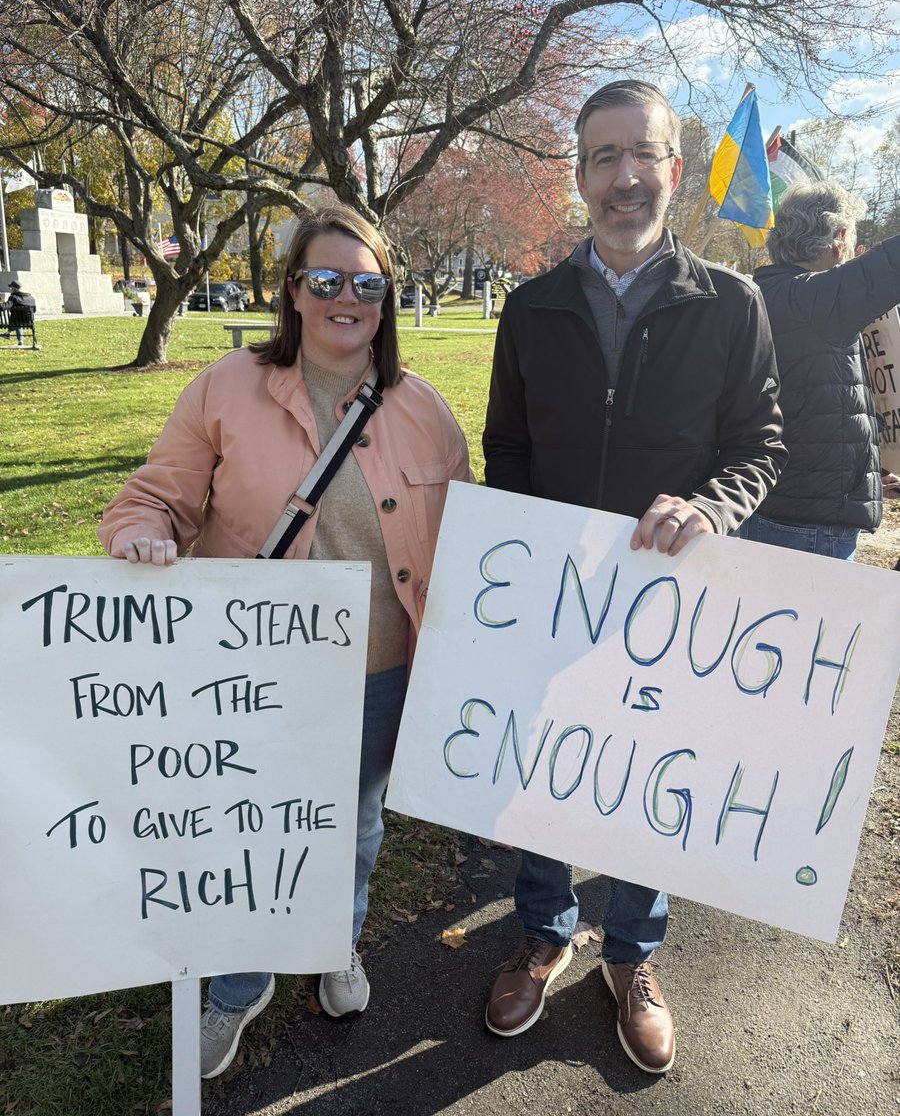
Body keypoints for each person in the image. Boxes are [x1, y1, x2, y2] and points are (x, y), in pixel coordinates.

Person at [98, 204, 471, 1079]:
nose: (348, 298)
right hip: (252, 674)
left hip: (380, 673)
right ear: (294, 292)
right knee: (247, 830)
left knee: (354, 827)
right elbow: (154, 496)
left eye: (367, 284)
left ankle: (332, 940)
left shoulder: (424, 410)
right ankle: (238, 983)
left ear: (387, 298)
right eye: (327, 279)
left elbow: (471, 544)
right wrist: (143, 535)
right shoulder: (226, 387)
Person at [481, 79, 787, 1074]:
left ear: (676, 168)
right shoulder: (531, 308)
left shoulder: (732, 303)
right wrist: (526, 547)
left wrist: (713, 509)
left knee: (653, 775)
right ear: (579, 176)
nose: (625, 177)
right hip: (558, 593)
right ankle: (542, 932)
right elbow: (508, 444)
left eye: (643, 153)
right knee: (547, 764)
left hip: (672, 605)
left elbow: (758, 445)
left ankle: (631, 952)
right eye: (604, 156)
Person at [741, 181, 900, 560]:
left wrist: (866, 476)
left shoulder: (759, 294)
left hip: (768, 504)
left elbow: (812, 410)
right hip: (809, 527)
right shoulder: (815, 299)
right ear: (839, 238)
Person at [5, 280, 35, 347]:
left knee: (17, 320)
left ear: (13, 289)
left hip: (16, 322)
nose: (10, 290)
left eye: (11, 288)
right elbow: (34, 310)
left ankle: (7, 333)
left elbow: (5, 307)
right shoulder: (31, 298)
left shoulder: (13, 298)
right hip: (29, 322)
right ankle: (16, 339)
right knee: (19, 319)